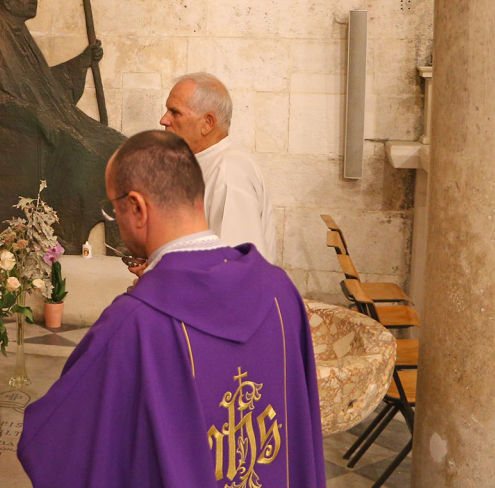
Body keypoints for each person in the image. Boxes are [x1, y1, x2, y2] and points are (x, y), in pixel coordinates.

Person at [17, 130, 324, 488]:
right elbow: (303, 437)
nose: (116, 219)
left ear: (137, 207)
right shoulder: (280, 293)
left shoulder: (135, 323)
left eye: (114, 209)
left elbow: (56, 442)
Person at [0, 0, 125, 251]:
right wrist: (36, 115)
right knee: (92, 155)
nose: (33, 1)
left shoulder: (20, 33)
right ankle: (70, 235)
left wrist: (82, 61)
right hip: (19, 135)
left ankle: (118, 238)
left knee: (120, 147)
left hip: (49, 121)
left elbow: (42, 84)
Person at [161, 72, 277, 262]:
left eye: (175, 112)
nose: (164, 120)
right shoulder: (203, 162)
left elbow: (233, 268)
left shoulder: (229, 171)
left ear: (207, 123)